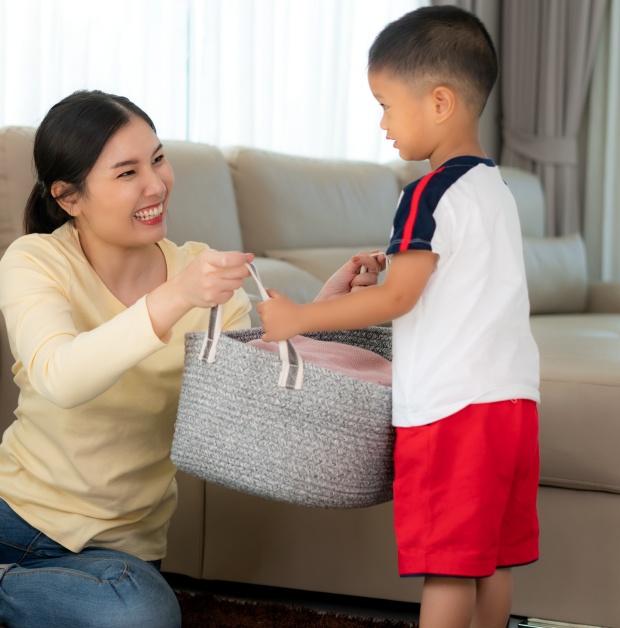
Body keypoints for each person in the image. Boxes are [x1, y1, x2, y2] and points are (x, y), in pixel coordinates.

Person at [0, 89, 381, 628]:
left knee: (139, 614)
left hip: (115, 551)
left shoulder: (196, 269)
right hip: (1, 511)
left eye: (158, 159)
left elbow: (266, 377)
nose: (155, 184)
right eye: (126, 172)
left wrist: (320, 311)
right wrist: (172, 299)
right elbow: (60, 376)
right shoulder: (37, 261)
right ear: (69, 197)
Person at [256, 7, 540, 627]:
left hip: (452, 411)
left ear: (439, 102)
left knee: (447, 566)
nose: (381, 123)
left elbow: (397, 300)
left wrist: (298, 316)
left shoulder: (426, 193)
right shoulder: (495, 188)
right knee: (492, 561)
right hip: (514, 404)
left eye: (384, 103)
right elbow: (456, 285)